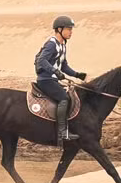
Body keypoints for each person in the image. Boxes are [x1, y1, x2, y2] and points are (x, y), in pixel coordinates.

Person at [34, 16, 87, 145]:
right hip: (46, 80)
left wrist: (77, 74)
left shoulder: (62, 45)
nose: (71, 32)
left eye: (71, 29)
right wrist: (55, 71)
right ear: (59, 29)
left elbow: (63, 66)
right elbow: (42, 60)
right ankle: (62, 132)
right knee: (64, 98)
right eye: (68, 29)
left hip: (53, 80)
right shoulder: (52, 44)